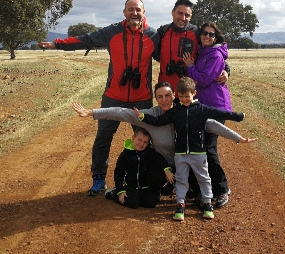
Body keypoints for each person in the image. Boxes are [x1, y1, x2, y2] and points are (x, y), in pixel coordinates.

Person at [39, 0, 158, 196]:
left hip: (141, 97)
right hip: (113, 96)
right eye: (130, 9)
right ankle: (99, 179)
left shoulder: (153, 35)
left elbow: (171, 55)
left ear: (144, 13)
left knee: (147, 139)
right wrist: (57, 44)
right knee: (103, 138)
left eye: (138, 10)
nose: (134, 13)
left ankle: (146, 178)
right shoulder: (112, 32)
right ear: (124, 12)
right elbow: (85, 39)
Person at [72, 82, 257, 191]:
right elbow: (121, 113)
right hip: (163, 165)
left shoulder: (185, 112)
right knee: (151, 186)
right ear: (156, 98)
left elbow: (211, 124)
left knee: (199, 186)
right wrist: (92, 112)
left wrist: (237, 138)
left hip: (186, 161)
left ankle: (210, 190)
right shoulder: (150, 115)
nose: (164, 100)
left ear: (174, 95)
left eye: (167, 95)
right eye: (159, 97)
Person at [133, 77, 246, 221]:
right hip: (180, 155)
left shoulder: (201, 109)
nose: (184, 100)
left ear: (194, 93)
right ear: (177, 96)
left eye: (187, 96)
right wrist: (143, 117)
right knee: (181, 180)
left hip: (199, 153)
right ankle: (180, 205)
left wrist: (238, 116)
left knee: (204, 178)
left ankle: (207, 204)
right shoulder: (176, 111)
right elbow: (158, 121)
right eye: (181, 97)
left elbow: (220, 113)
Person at [182, 22, 234, 207]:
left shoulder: (215, 55)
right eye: (204, 33)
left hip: (215, 107)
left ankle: (221, 189)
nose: (207, 36)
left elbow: (203, 80)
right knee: (200, 147)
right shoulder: (202, 52)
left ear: (216, 38)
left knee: (209, 148)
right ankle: (200, 188)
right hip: (203, 106)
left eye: (211, 34)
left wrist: (190, 66)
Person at [104, 127, 174, 209]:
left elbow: (160, 159)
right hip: (131, 186)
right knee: (132, 203)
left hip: (145, 187)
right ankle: (114, 193)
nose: (141, 144)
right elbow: (119, 173)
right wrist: (120, 191)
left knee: (151, 203)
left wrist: (166, 170)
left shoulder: (149, 152)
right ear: (133, 138)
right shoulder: (125, 155)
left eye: (145, 142)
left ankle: (154, 192)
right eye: (139, 140)